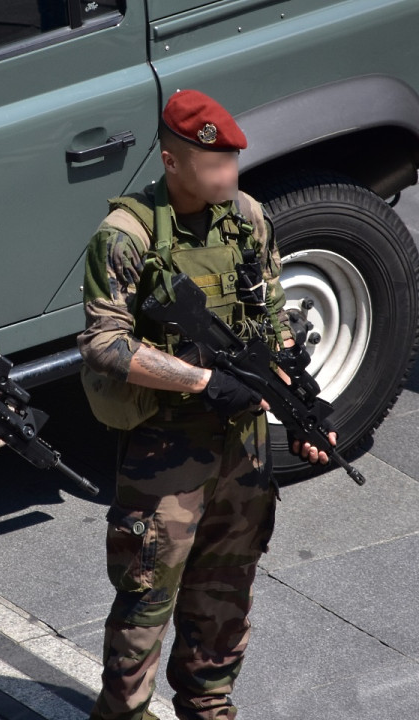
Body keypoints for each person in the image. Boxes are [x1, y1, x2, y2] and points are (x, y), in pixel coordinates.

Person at [78, 89, 337, 720]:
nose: (229, 175)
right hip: (166, 447)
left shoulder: (247, 218)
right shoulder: (127, 236)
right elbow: (104, 343)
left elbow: (271, 321)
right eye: (214, 163)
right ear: (172, 162)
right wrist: (202, 382)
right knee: (146, 600)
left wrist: (300, 405)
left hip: (243, 448)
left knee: (226, 593)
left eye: (232, 162)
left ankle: (209, 704)